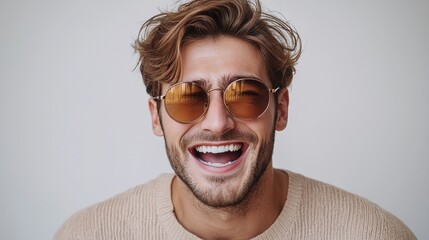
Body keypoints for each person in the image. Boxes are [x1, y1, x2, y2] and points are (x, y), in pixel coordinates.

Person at [54, 0, 416, 239]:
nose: (217, 123)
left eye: (245, 94)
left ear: (282, 109)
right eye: (187, 97)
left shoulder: (373, 233)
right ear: (156, 117)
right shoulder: (87, 234)